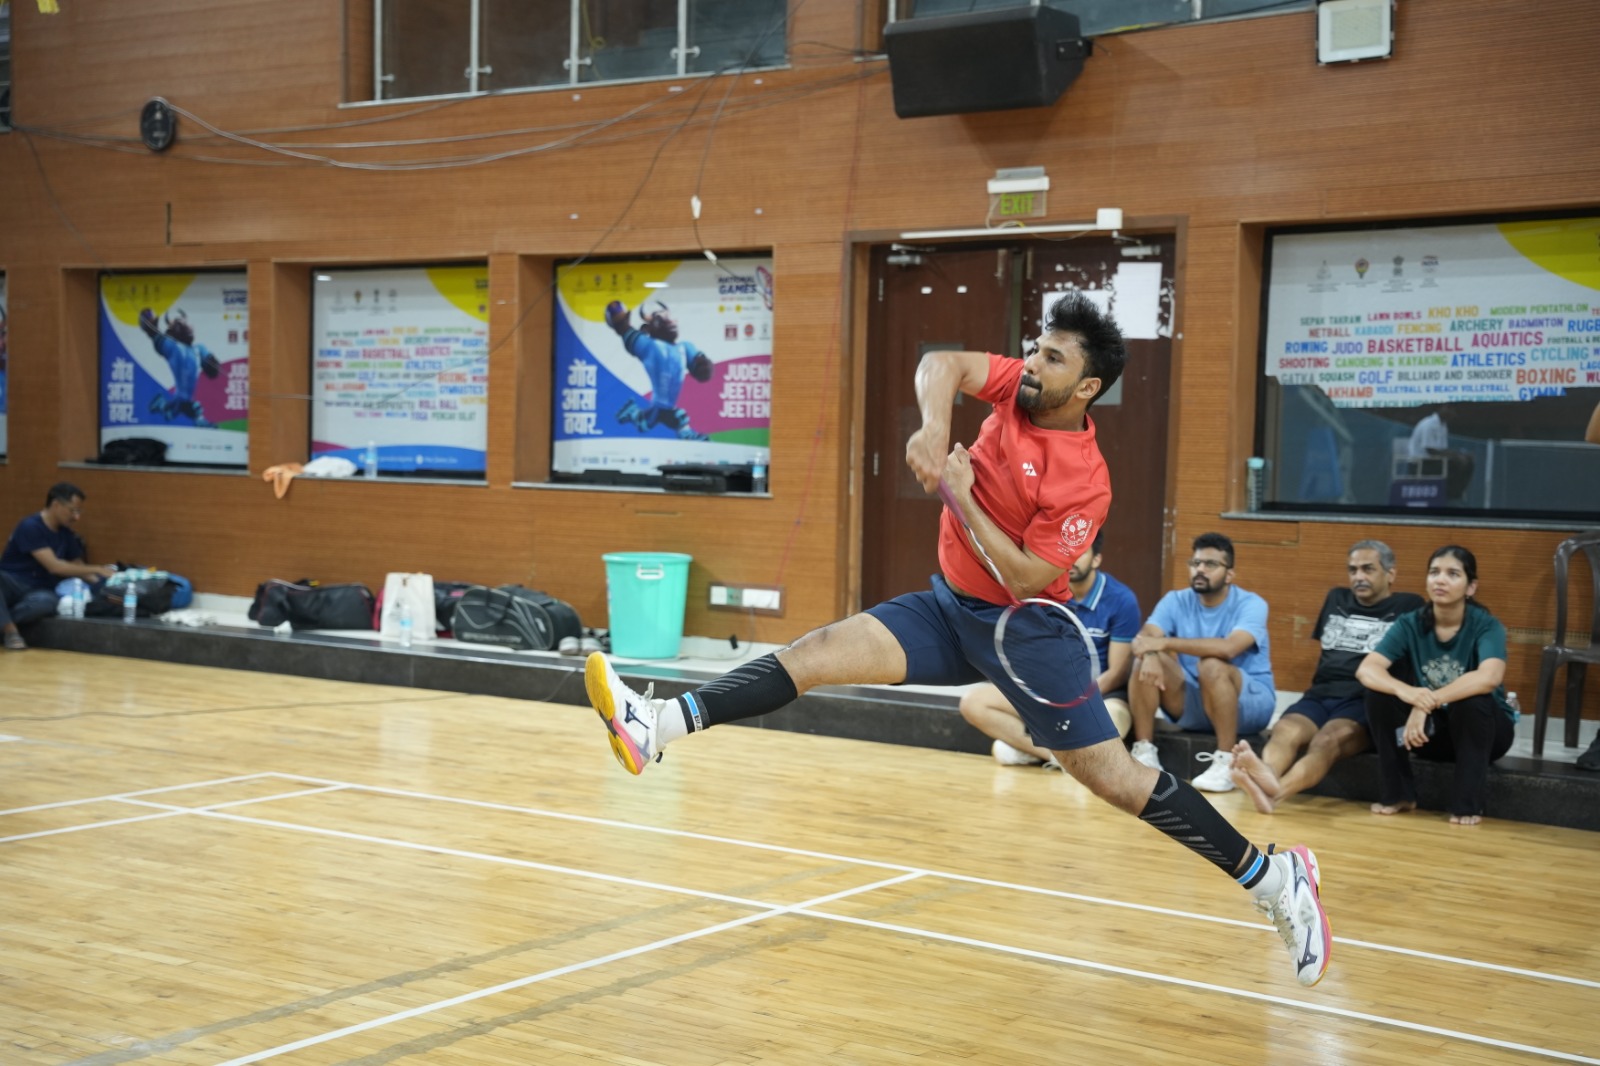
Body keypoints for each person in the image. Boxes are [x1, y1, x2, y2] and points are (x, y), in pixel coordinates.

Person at [582, 293, 1332, 987]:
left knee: (1113, 780)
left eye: (1053, 359)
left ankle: (1272, 879)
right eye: (1035, 350)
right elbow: (941, 365)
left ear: (1089, 387)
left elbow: (1026, 574)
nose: (1032, 365)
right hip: (949, 609)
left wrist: (960, 493)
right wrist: (934, 426)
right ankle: (658, 725)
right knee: (816, 652)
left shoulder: (1085, 480)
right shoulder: (1015, 387)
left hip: (1029, 633)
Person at [1230, 540, 1424, 812]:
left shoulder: (1409, 606)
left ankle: (1274, 794)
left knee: (1326, 741)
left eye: (1368, 569)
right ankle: (1268, 775)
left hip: (1363, 700)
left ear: (1390, 574)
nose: (1359, 577)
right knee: (1285, 730)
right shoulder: (1336, 598)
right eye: (1353, 570)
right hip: (1321, 694)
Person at [1355, 545, 1515, 825]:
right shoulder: (1410, 623)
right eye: (1434, 572)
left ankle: (1467, 805)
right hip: (1427, 733)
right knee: (1377, 694)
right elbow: (1367, 669)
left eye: (1453, 574)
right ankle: (1399, 794)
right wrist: (1409, 693)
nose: (1440, 580)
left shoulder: (1487, 626)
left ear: (1471, 587)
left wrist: (1427, 702)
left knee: (1473, 699)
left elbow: (1489, 677)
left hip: (1486, 734)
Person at [959, 529, 1141, 768]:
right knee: (974, 704)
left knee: (1115, 718)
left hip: (1101, 695)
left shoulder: (1121, 600)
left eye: (1081, 553)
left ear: (1097, 559)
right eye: (1068, 553)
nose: (1072, 560)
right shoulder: (1042, 591)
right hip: (1052, 692)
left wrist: (1077, 703)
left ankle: (1054, 751)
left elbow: (1117, 672)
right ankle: (1057, 756)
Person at [1127, 532, 1276, 792]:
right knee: (1144, 662)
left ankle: (1227, 762)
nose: (1200, 570)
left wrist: (1164, 643)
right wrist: (1150, 653)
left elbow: (1230, 648)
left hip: (1249, 705)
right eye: (1196, 563)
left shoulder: (1252, 604)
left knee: (1211, 664)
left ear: (1229, 574)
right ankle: (1145, 752)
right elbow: (1145, 638)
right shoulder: (1176, 600)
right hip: (1197, 701)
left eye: (1211, 565)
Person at [0, 483, 116, 650]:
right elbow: (55, 567)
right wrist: (97, 568)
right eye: (73, 510)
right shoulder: (30, 526)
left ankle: (5, 620)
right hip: (12, 582)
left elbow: (79, 568)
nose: (77, 517)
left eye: (79, 512)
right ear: (56, 505)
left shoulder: (66, 534)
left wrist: (105, 585)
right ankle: (10, 632)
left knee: (47, 603)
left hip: (38, 591)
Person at [604, 299, 713, 441]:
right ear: (649, 328)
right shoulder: (649, 346)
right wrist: (619, 320)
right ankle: (684, 433)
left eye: (668, 317)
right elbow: (625, 331)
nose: (668, 322)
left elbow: (702, 372)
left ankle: (633, 412)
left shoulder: (685, 347)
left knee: (646, 423)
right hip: (661, 403)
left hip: (664, 404)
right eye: (660, 319)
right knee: (673, 417)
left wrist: (704, 367)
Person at [139, 307, 220, 427]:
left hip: (184, 398)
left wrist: (212, 364)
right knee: (188, 409)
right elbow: (155, 336)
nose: (189, 327)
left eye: (186, 323)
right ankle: (163, 405)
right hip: (182, 397)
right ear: (176, 329)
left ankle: (162, 405)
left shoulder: (198, 349)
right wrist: (149, 321)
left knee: (174, 412)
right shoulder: (173, 348)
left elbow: (213, 373)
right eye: (182, 323)